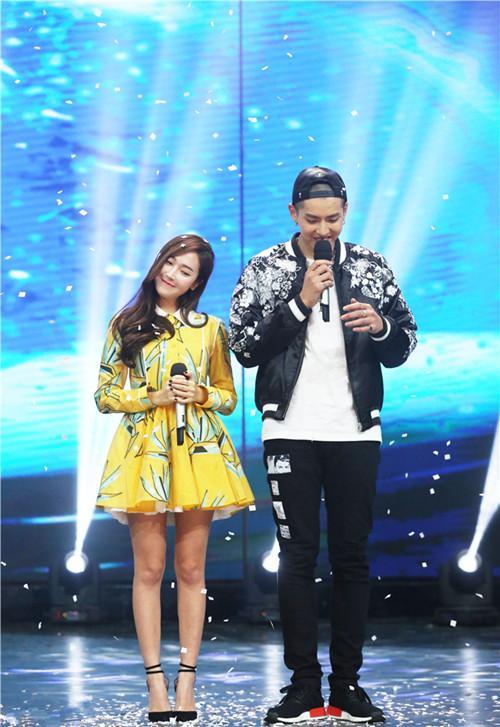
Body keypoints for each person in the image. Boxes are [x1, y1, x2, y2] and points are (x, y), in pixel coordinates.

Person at [229, 167, 417, 724]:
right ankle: (303, 686)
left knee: (352, 555)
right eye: (312, 220)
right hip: (289, 428)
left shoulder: (370, 265)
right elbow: (244, 347)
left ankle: (348, 685)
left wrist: (381, 327)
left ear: (345, 212)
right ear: (293, 214)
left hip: (355, 429)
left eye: (333, 219)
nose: (323, 229)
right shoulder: (265, 268)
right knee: (297, 555)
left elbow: (404, 343)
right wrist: (299, 300)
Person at [94, 234, 254, 723]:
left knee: (190, 570)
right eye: (169, 262)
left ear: (195, 284)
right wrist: (151, 397)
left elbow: (228, 397)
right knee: (148, 570)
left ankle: (187, 680)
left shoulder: (212, 330)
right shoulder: (125, 324)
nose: (172, 274)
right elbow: (104, 395)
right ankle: (154, 683)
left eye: (185, 271)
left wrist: (200, 393)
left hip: (198, 452)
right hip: (144, 453)